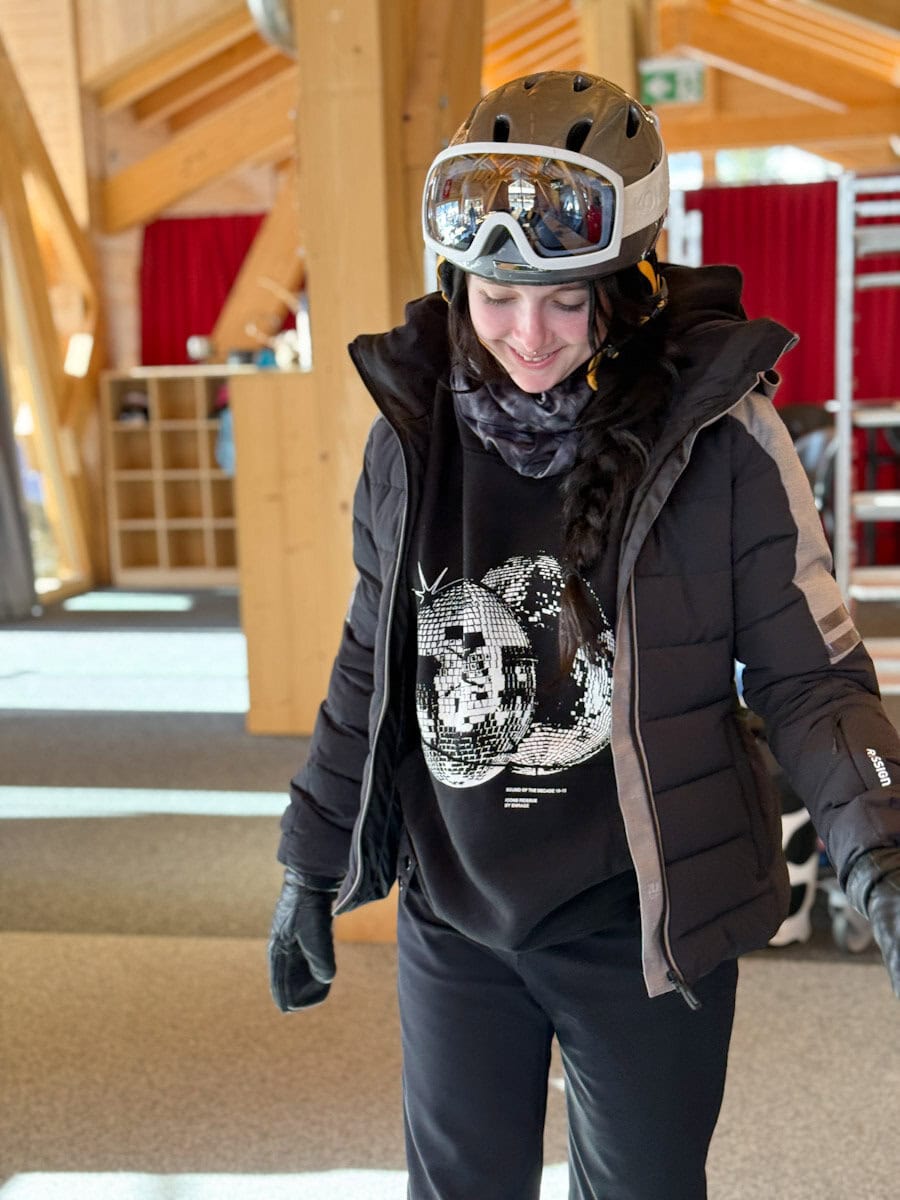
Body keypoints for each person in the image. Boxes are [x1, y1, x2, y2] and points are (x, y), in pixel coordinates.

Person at [268, 71, 900, 1199]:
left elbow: (812, 677)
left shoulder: (725, 442)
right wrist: (311, 864)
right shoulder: (409, 442)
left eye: (567, 299)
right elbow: (374, 660)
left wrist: (881, 854)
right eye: (497, 294)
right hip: (455, 913)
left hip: (646, 929)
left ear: (632, 284)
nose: (527, 333)